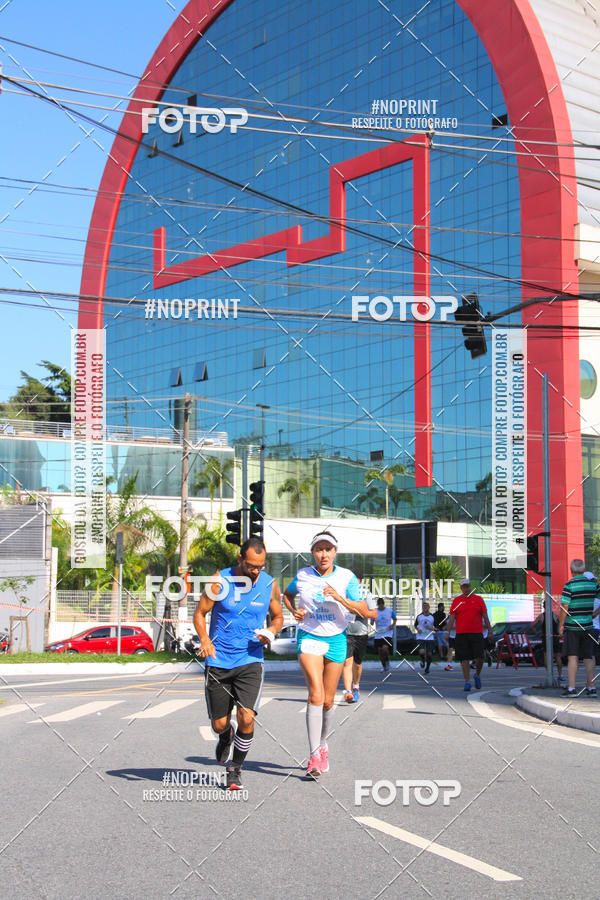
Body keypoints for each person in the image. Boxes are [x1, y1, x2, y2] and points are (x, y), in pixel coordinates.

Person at [193, 537, 283, 790]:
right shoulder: (219, 581)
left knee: (246, 716)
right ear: (240, 559)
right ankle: (225, 735)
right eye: (251, 566)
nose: (256, 571)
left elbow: (278, 617)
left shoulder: (269, 584)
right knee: (219, 723)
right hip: (219, 660)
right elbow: (200, 613)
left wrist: (271, 632)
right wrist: (205, 640)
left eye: (261, 566)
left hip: (250, 660)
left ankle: (235, 768)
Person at [283, 531, 370, 778]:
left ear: (335, 552)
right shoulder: (302, 575)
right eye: (319, 549)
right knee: (316, 694)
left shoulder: (346, 577)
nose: (323, 554)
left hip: (336, 638)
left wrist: (339, 598)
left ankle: (322, 744)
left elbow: (363, 609)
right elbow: (288, 595)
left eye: (328, 549)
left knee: (329, 701)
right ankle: (313, 757)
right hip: (309, 636)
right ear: (312, 552)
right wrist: (294, 612)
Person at [559, 559, 600, 697]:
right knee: (588, 657)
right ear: (584, 570)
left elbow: (565, 606)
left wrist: (561, 625)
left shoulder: (569, 585)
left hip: (572, 626)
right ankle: (591, 687)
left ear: (571, 571)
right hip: (588, 625)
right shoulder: (593, 585)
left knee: (573, 657)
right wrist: (594, 614)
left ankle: (572, 688)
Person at [446, 578, 491, 692]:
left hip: (477, 633)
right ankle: (467, 681)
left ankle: (477, 674)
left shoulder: (478, 599)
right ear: (461, 588)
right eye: (464, 587)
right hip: (461, 634)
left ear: (470, 586)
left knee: (480, 657)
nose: (466, 588)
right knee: (464, 659)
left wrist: (490, 631)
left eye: (468, 586)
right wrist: (448, 631)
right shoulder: (457, 601)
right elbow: (452, 618)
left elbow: (485, 616)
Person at [342, 574, 377, 703]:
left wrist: (359, 610)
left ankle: (355, 686)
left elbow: (374, 613)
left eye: (354, 581)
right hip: (346, 633)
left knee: (357, 664)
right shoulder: (342, 594)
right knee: (347, 662)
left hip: (361, 633)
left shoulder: (366, 594)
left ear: (360, 582)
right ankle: (348, 691)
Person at [533, 604, 563, 683]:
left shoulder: (541, 616)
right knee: (558, 656)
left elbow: (531, 626)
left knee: (546, 656)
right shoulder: (555, 616)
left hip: (545, 638)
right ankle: (560, 675)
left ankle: (549, 674)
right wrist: (560, 633)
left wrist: (538, 634)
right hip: (555, 637)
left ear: (543, 607)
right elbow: (563, 624)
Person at [374, 598, 396, 672]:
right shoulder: (375, 611)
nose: (381, 606)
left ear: (383, 604)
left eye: (382, 605)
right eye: (379, 605)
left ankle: (387, 661)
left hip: (387, 633)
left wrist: (392, 625)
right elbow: (371, 621)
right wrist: (371, 621)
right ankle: (384, 666)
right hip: (378, 634)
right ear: (378, 605)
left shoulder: (389, 611)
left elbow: (395, 619)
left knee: (385, 649)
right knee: (380, 652)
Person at [415, 600, 436, 674]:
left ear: (429, 607)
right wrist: (418, 629)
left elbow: (437, 628)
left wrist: (432, 629)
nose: (425, 608)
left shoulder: (432, 617)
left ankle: (427, 668)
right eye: (423, 606)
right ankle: (422, 660)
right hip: (420, 637)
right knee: (421, 652)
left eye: (426, 606)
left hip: (430, 637)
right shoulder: (419, 616)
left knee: (429, 654)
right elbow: (415, 625)